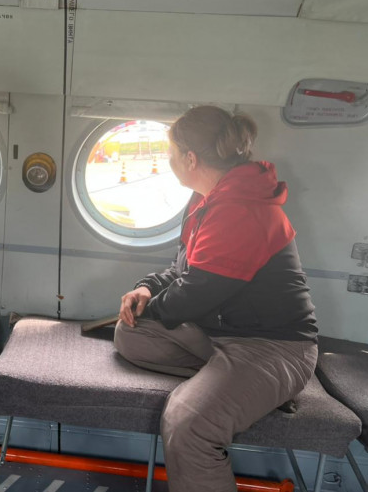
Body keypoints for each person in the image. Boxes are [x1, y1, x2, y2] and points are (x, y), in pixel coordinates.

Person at [114, 106, 318, 492]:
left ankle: (258, 388)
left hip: (273, 347)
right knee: (130, 333)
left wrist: (152, 308)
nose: (168, 160)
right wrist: (146, 288)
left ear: (190, 158)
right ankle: (248, 391)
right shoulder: (207, 199)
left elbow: (196, 293)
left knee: (186, 422)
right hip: (222, 335)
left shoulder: (240, 208)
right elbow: (184, 270)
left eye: (171, 152)